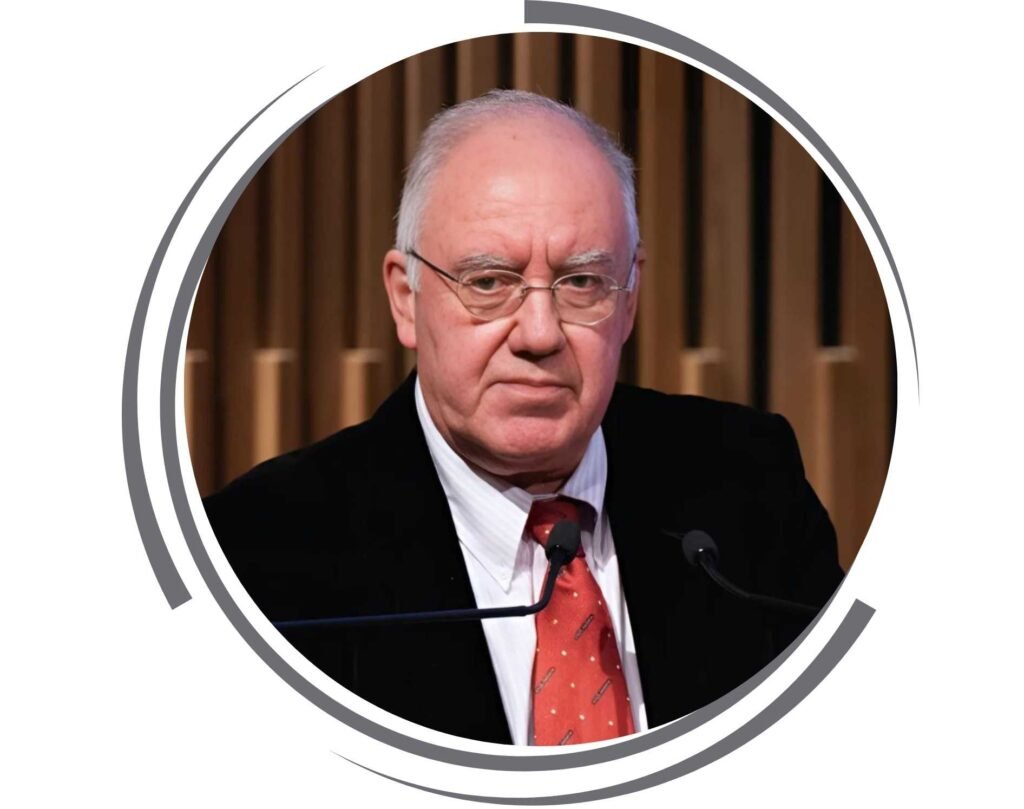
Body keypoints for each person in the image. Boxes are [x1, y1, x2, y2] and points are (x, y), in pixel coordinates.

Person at [203, 90, 843, 746]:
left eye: (582, 283)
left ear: (629, 299)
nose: (539, 333)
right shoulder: (257, 554)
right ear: (405, 299)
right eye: (488, 283)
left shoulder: (750, 484)